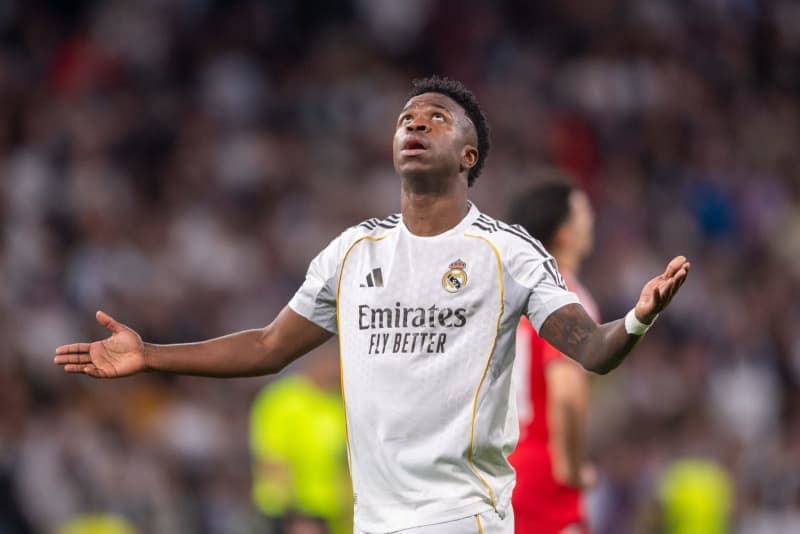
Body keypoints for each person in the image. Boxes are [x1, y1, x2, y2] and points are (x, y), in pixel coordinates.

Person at [55, 76, 690, 534]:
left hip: (462, 515)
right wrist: (151, 355)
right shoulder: (352, 252)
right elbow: (268, 347)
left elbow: (593, 350)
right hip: (374, 521)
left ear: (468, 156)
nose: (415, 124)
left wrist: (639, 317)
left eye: (437, 118)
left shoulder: (508, 253)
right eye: (407, 118)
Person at [507, 178, 599, 534]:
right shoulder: (562, 296)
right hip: (542, 473)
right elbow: (567, 391)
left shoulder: (510, 297)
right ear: (563, 234)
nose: (591, 218)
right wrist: (571, 468)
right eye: (583, 212)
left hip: (501, 467)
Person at [249, 343, 352, 534]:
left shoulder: (340, 403)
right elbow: (273, 460)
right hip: (293, 514)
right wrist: (294, 514)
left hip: (332, 514)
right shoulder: (281, 400)